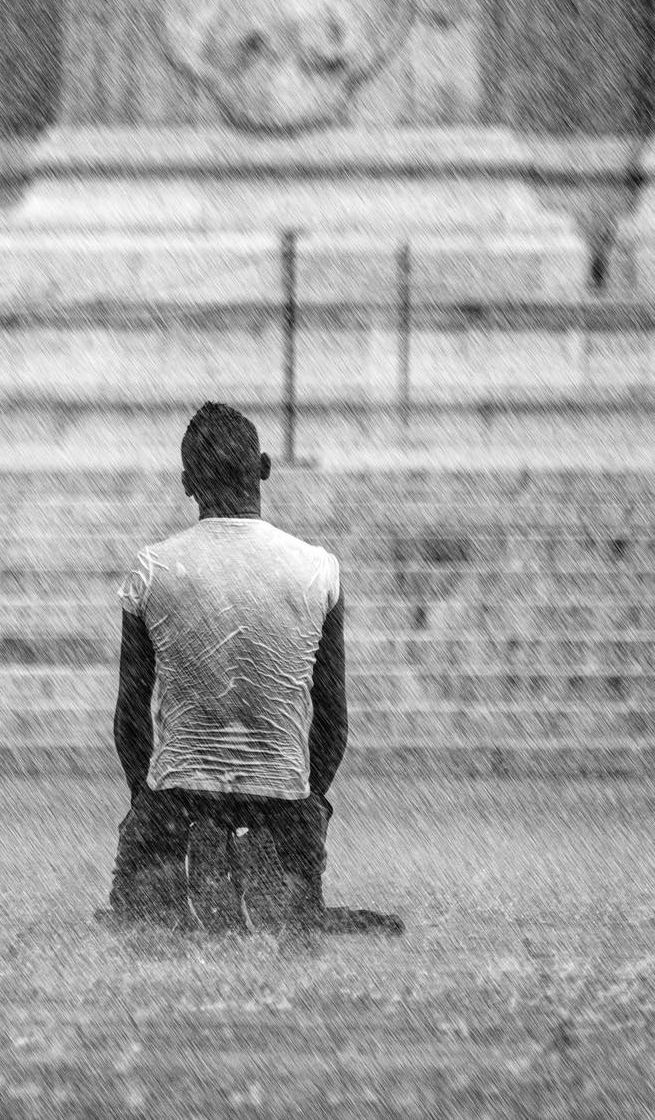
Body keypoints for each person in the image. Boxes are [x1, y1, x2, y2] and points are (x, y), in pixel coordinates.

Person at [102, 401, 391, 939]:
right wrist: (309, 805)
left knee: (139, 926)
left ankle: (181, 859)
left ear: (188, 483)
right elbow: (332, 723)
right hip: (283, 804)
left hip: (177, 801)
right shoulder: (317, 571)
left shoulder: (153, 570)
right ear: (263, 468)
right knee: (290, 921)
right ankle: (272, 860)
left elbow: (130, 720)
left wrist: (148, 805)